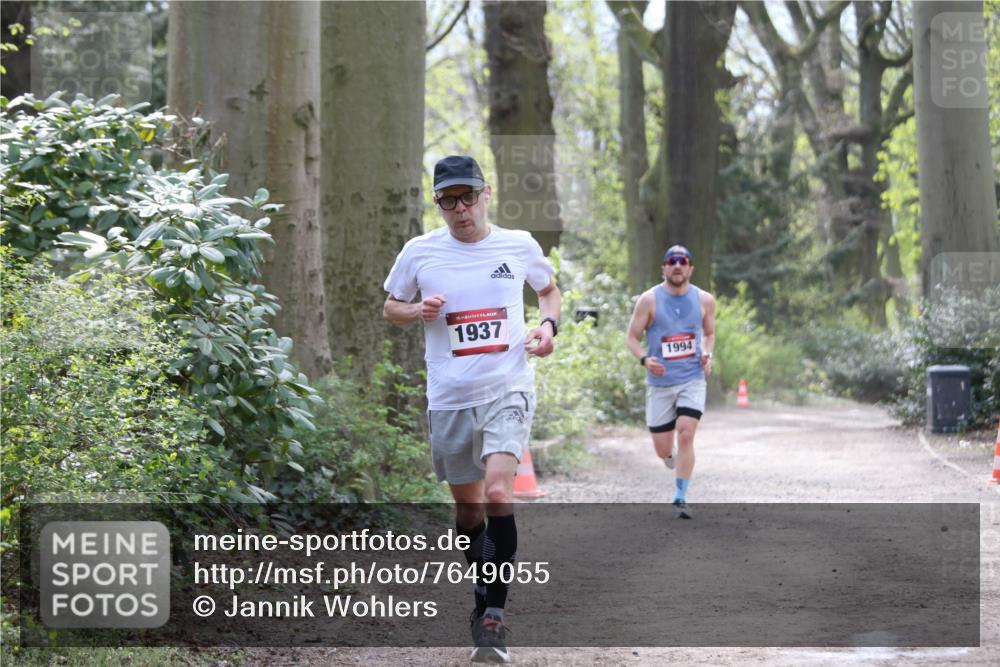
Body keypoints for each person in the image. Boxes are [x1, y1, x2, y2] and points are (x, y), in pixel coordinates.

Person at [383, 155, 561, 663]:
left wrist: (547, 330)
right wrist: (417, 310)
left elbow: (549, 293)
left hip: (507, 386)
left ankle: (494, 618)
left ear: (487, 193)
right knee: (468, 510)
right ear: (437, 203)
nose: (459, 209)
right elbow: (391, 306)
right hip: (450, 397)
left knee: (500, 490)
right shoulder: (420, 251)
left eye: (467, 196)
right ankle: (482, 594)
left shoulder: (518, 244)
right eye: (447, 200)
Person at [625, 244, 716, 519]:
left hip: (692, 378)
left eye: (683, 261)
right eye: (672, 261)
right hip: (660, 382)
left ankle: (680, 496)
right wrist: (644, 359)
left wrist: (707, 352)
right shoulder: (649, 300)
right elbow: (631, 337)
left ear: (690, 268)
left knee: (686, 433)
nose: (678, 265)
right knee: (663, 449)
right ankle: (670, 459)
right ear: (664, 268)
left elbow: (709, 334)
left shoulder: (705, 300)